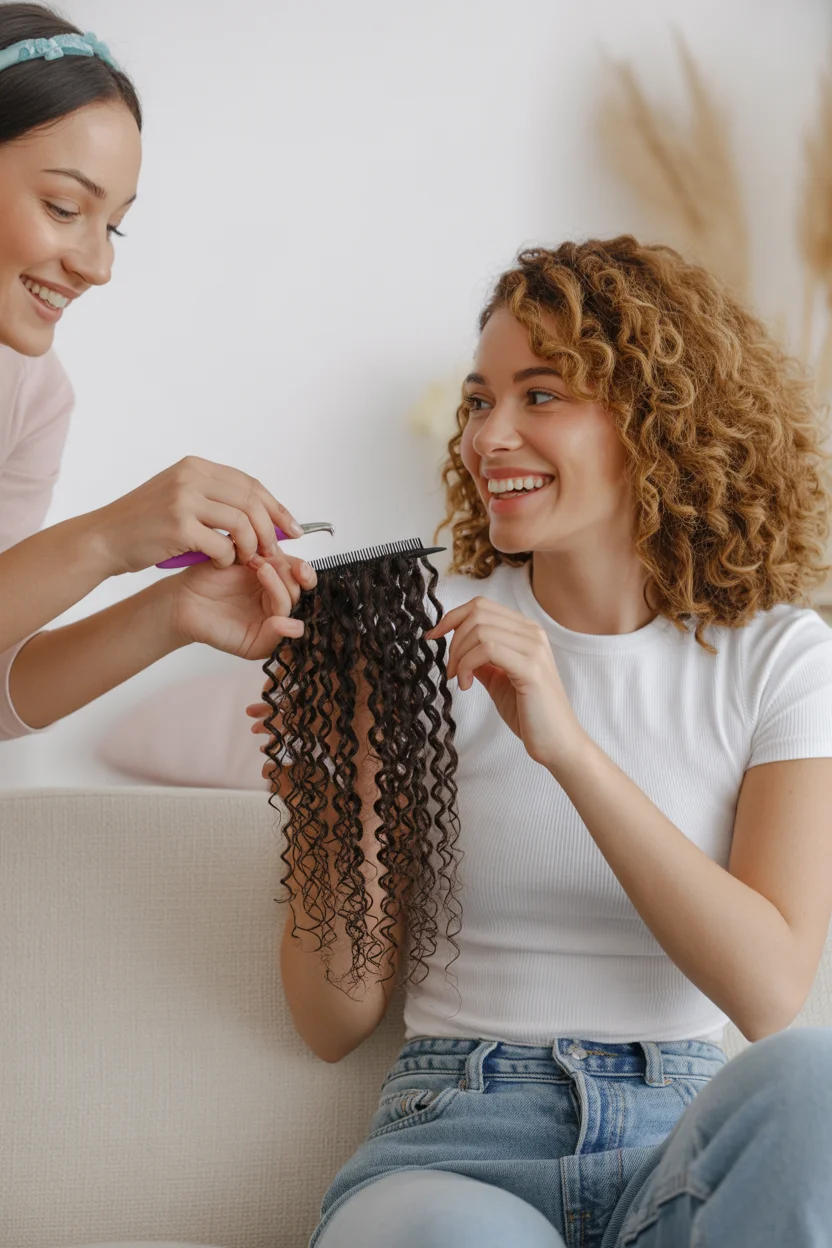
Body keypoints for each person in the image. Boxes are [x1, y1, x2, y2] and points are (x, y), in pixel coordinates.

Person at [250, 235, 832, 1247]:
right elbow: (332, 1019)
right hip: (456, 1139)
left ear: (656, 421)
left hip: (678, 1145)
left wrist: (565, 746)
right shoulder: (413, 631)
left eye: (541, 395)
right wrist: (330, 789)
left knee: (815, 1081)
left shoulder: (777, 655)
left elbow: (769, 990)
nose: (489, 436)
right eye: (479, 401)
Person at [0, 2, 311, 743]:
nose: (98, 266)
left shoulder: (33, 398)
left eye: (113, 226)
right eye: (63, 206)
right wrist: (107, 539)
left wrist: (170, 612)